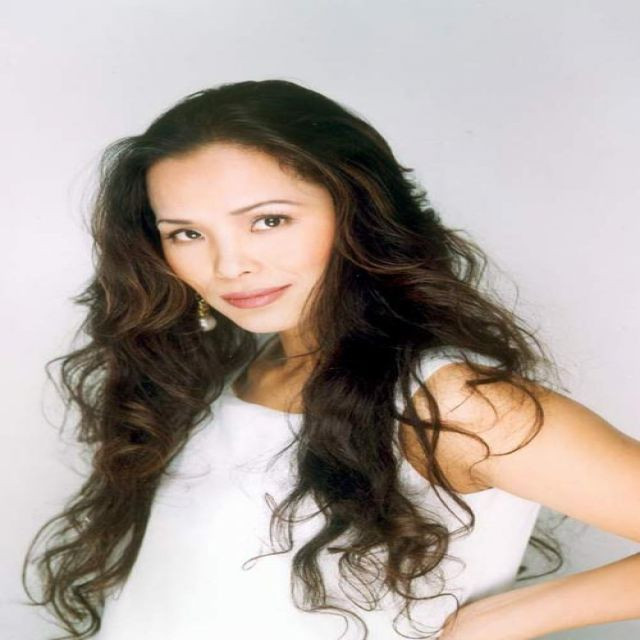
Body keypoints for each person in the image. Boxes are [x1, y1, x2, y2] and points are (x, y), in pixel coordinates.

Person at [22, 79, 640, 640]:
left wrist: (500, 621)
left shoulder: (453, 401)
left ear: (355, 211)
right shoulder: (238, 371)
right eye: (187, 233)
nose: (228, 265)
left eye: (268, 220)